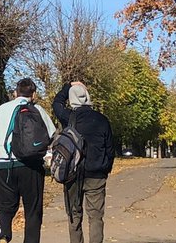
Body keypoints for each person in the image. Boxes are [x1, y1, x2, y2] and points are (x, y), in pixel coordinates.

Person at [0, 78, 57, 243]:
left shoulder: (1, 110)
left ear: (15, 93)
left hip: (4, 166)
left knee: (4, 208)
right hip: (31, 166)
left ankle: (3, 237)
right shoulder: (38, 110)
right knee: (33, 211)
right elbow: (51, 134)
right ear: (34, 94)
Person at [52, 81, 114, 243]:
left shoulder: (68, 117)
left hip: (72, 174)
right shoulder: (102, 120)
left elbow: (57, 103)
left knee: (74, 216)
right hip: (96, 175)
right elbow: (110, 149)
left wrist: (68, 86)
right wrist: (105, 169)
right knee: (96, 217)